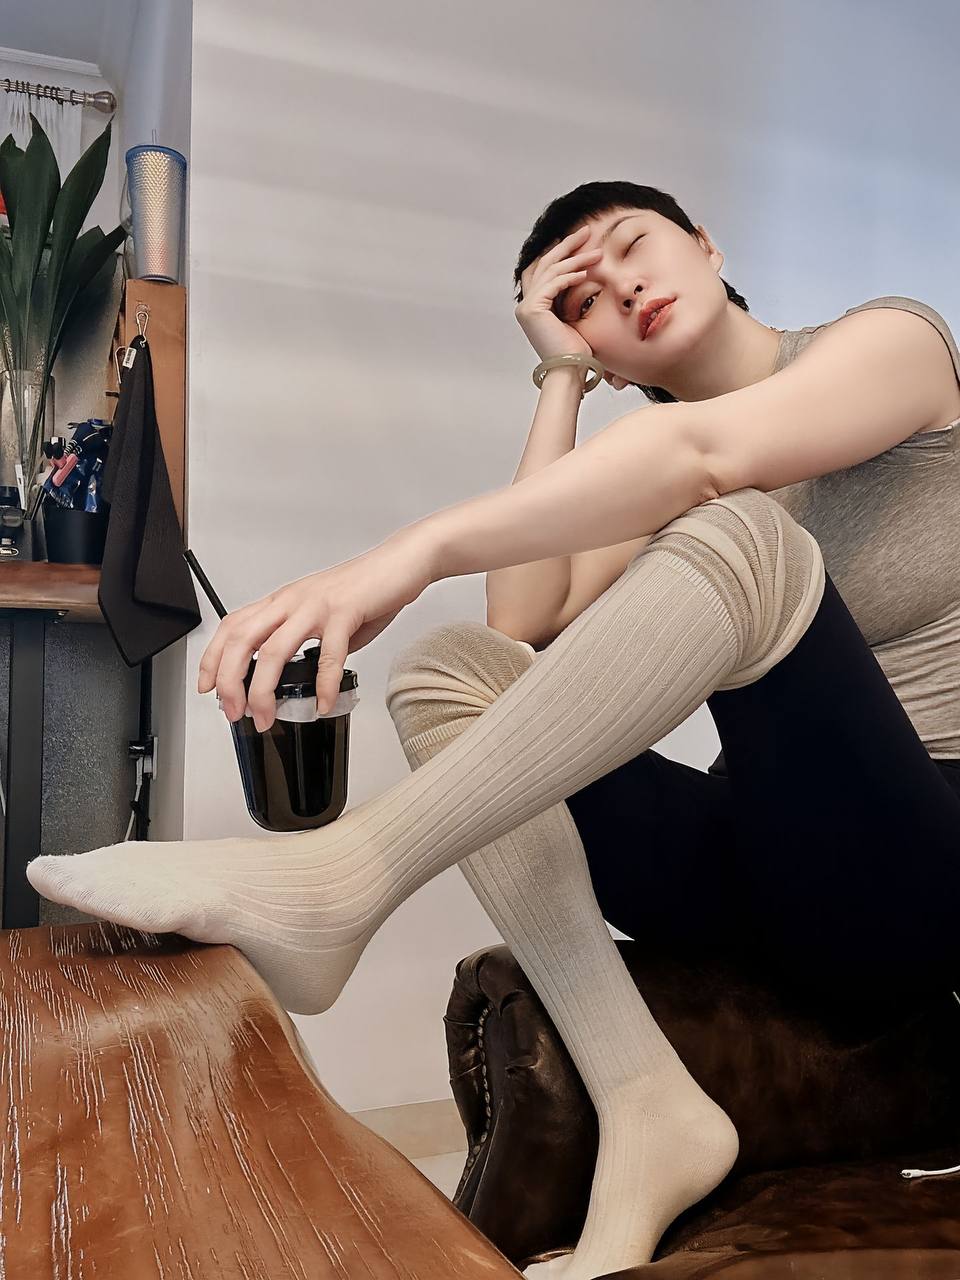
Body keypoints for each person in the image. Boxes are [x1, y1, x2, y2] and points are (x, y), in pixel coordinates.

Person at [26, 179, 960, 1280]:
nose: (623, 287)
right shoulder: (649, 454)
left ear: (706, 245)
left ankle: (349, 871)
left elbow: (708, 454)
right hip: (766, 869)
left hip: (916, 875)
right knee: (455, 670)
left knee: (746, 532)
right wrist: (561, 374)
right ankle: (647, 1100)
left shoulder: (892, 345)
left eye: (633, 246)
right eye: (584, 300)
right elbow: (522, 617)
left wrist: (406, 553)